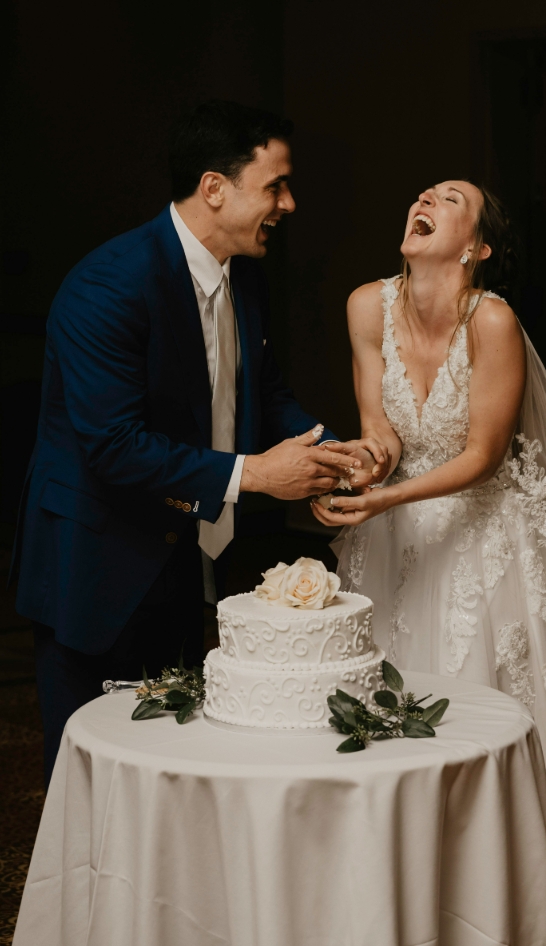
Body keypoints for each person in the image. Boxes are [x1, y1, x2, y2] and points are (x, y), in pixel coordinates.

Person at [11, 100, 388, 786]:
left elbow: (264, 393)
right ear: (215, 187)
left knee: (172, 766)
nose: (289, 203)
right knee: (88, 780)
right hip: (96, 562)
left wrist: (332, 452)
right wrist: (256, 475)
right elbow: (114, 446)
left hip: (187, 561)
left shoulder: (245, 276)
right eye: (275, 185)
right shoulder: (109, 284)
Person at [313, 180, 546, 945]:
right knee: (382, 717)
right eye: (422, 192)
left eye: (450, 197)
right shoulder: (365, 306)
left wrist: (386, 501)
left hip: (488, 543)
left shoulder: (493, 321)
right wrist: (352, 475)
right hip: (395, 542)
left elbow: (485, 456)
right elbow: (380, 431)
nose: (424, 198)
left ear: (477, 246)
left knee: (481, 714)